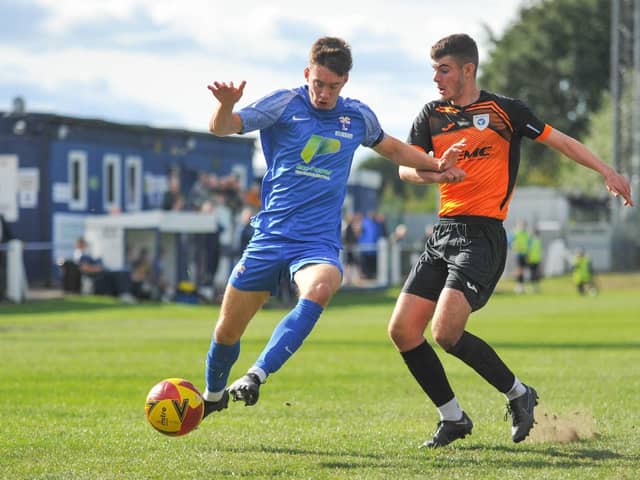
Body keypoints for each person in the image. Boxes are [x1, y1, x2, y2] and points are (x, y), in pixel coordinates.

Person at [387, 33, 633, 449]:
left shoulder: (505, 111)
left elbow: (562, 142)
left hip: (481, 235)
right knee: (402, 331)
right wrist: (435, 171)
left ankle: (519, 394)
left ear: (468, 69)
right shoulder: (431, 114)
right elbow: (405, 170)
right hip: (442, 232)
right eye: (434, 70)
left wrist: (607, 171)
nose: (436, 79)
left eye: (443, 70)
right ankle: (453, 418)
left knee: (445, 331)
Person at [199, 36, 466, 419]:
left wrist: (438, 164)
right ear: (307, 73)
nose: (324, 93)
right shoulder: (283, 104)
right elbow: (223, 128)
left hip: (316, 242)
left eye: (333, 86)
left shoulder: (356, 117)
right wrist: (225, 106)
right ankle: (212, 396)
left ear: (345, 83)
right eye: (318, 83)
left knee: (322, 286)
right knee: (227, 330)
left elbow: (394, 150)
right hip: (270, 236)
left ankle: (256, 375)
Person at [73, 237, 137, 303]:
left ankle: (126, 293)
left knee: (125, 271)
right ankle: (124, 294)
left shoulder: (86, 253)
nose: (85, 245)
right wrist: (98, 268)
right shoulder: (81, 255)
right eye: (83, 243)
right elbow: (85, 268)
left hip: (103, 271)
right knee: (121, 274)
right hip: (98, 274)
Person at [512, 220, 531, 293]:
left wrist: (528, 254)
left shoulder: (526, 234)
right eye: (522, 225)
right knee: (519, 270)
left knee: (523, 271)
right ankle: (519, 286)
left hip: (524, 254)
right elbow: (510, 241)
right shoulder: (516, 233)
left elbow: (528, 244)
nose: (523, 226)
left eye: (524, 225)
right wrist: (513, 247)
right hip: (518, 254)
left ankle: (521, 286)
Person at [0, 214, 15, 301]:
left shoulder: (1, 217)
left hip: (2, 252)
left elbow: (9, 234)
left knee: (2, 273)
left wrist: (17, 241)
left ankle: (2, 295)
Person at [526, 228, 543, 293]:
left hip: (536, 260)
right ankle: (533, 287)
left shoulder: (537, 241)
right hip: (532, 260)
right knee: (533, 273)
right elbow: (529, 250)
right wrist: (528, 257)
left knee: (535, 274)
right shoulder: (531, 241)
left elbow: (539, 251)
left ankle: (536, 287)